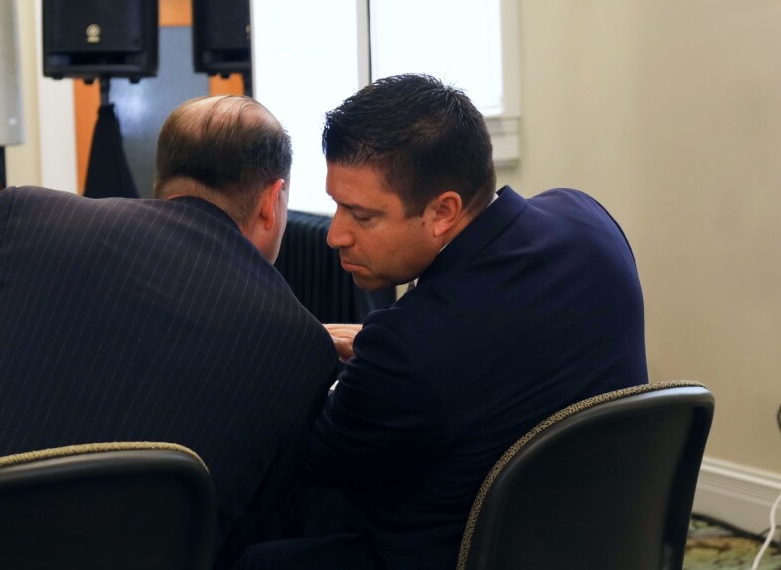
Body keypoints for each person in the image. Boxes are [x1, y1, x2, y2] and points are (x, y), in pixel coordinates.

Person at [0, 95, 338, 566]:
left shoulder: (25, 218)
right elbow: (250, 527)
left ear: (162, 177)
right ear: (274, 202)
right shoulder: (300, 349)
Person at [235, 74, 649, 570]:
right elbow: (494, 348)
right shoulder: (586, 220)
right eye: (336, 205)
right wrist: (372, 345)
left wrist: (301, 354)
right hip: (599, 541)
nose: (336, 235)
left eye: (361, 215)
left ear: (443, 212)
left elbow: (315, 459)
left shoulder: (409, 349)